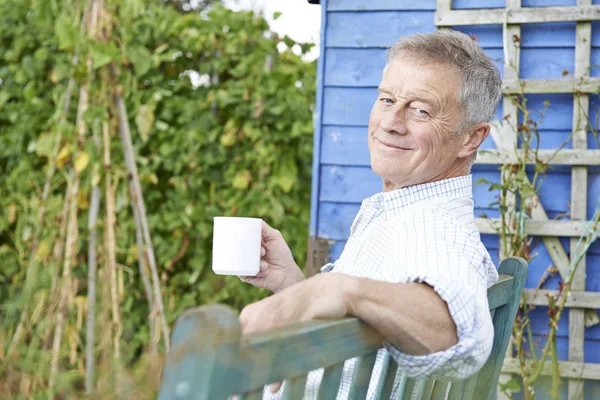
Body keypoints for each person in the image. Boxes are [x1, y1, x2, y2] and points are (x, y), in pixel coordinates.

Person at [238, 29, 502, 399]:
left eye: (421, 110)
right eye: (387, 99)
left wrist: (336, 287)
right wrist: (293, 284)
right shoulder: (403, 212)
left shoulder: (435, 229)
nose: (391, 121)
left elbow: (463, 333)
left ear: (470, 139)